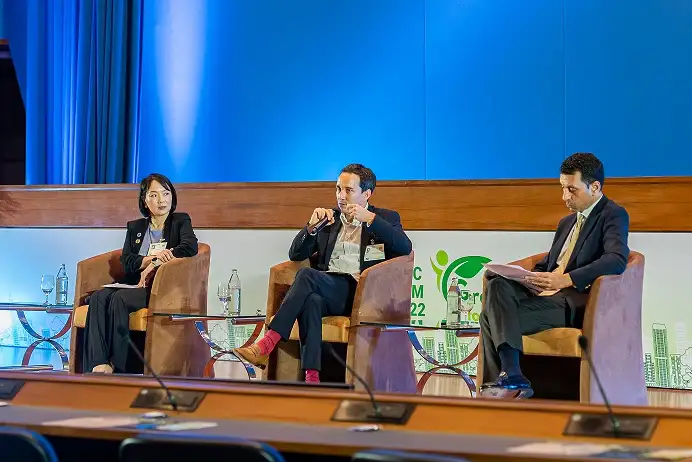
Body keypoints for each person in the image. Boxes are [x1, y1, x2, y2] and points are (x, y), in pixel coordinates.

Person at [233, 163, 412, 383]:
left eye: (349, 190)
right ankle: (312, 377)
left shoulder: (384, 218)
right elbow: (296, 254)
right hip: (327, 288)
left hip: (359, 293)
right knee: (312, 301)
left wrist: (371, 220)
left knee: (306, 276)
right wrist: (311, 227)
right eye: (338, 189)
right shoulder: (329, 219)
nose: (341, 196)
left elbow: (404, 247)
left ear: (366, 194)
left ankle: (267, 342)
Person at [479, 152, 629, 399]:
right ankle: (511, 378)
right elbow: (551, 264)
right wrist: (528, 278)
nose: (565, 196)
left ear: (594, 187)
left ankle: (506, 382)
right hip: (546, 294)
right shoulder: (566, 223)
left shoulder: (612, 214)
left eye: (572, 190)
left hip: (572, 301)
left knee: (489, 317)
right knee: (497, 284)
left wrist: (567, 279)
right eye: (562, 188)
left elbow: (616, 259)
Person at [83, 173, 198, 374]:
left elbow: (190, 247)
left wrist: (158, 261)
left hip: (159, 286)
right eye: (154, 195)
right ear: (145, 200)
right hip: (133, 283)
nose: (161, 200)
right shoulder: (135, 227)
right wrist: (148, 260)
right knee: (98, 298)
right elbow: (127, 260)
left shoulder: (180, 221)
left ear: (172, 196)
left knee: (119, 299)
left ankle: (118, 366)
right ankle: (98, 363)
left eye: (165, 193)